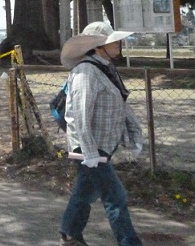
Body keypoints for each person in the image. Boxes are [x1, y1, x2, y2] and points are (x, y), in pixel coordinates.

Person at [58, 21, 144, 246]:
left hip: (101, 146)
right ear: (98, 47)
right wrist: (90, 152)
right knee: (115, 197)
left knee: (85, 192)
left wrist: (135, 135)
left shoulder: (105, 68)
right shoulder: (86, 71)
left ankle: (69, 232)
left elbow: (121, 103)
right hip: (90, 147)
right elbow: (80, 114)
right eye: (113, 41)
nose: (119, 44)